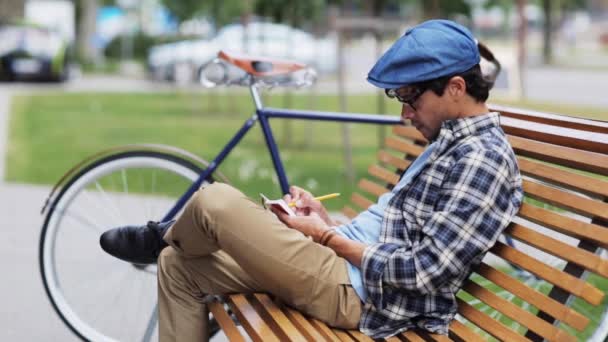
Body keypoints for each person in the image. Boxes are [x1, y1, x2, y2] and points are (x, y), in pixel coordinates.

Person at [100, 19, 523, 340]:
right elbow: (395, 232)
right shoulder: (450, 142)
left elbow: (426, 271)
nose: (404, 115)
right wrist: (327, 222)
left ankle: (166, 234)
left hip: (359, 295)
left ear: (453, 88)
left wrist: (326, 238)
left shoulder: (482, 160)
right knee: (180, 266)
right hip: (338, 267)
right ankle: (173, 242)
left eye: (411, 99)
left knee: (215, 203)